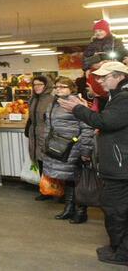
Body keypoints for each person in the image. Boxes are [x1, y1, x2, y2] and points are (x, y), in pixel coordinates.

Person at [58, 61, 128, 266]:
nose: (99, 80)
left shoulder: (124, 98)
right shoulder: (117, 96)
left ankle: (122, 252)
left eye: (104, 77)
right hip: (119, 164)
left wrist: (78, 109)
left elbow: (105, 122)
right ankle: (118, 247)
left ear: (119, 76)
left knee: (116, 209)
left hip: (121, 166)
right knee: (116, 208)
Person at [42, 77, 94, 224]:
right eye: (57, 87)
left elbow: (87, 128)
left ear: (72, 88)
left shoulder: (76, 103)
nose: (59, 89)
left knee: (78, 180)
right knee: (69, 180)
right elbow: (48, 126)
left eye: (63, 86)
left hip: (74, 147)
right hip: (60, 147)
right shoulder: (54, 103)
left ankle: (80, 211)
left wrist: (85, 151)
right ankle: (69, 208)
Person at [25, 75, 54, 201]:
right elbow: (31, 117)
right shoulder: (33, 99)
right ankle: (45, 191)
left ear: (46, 85)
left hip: (46, 135)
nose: (37, 87)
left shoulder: (51, 100)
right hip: (35, 134)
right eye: (35, 85)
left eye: (40, 84)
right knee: (40, 161)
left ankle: (55, 190)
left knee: (49, 163)